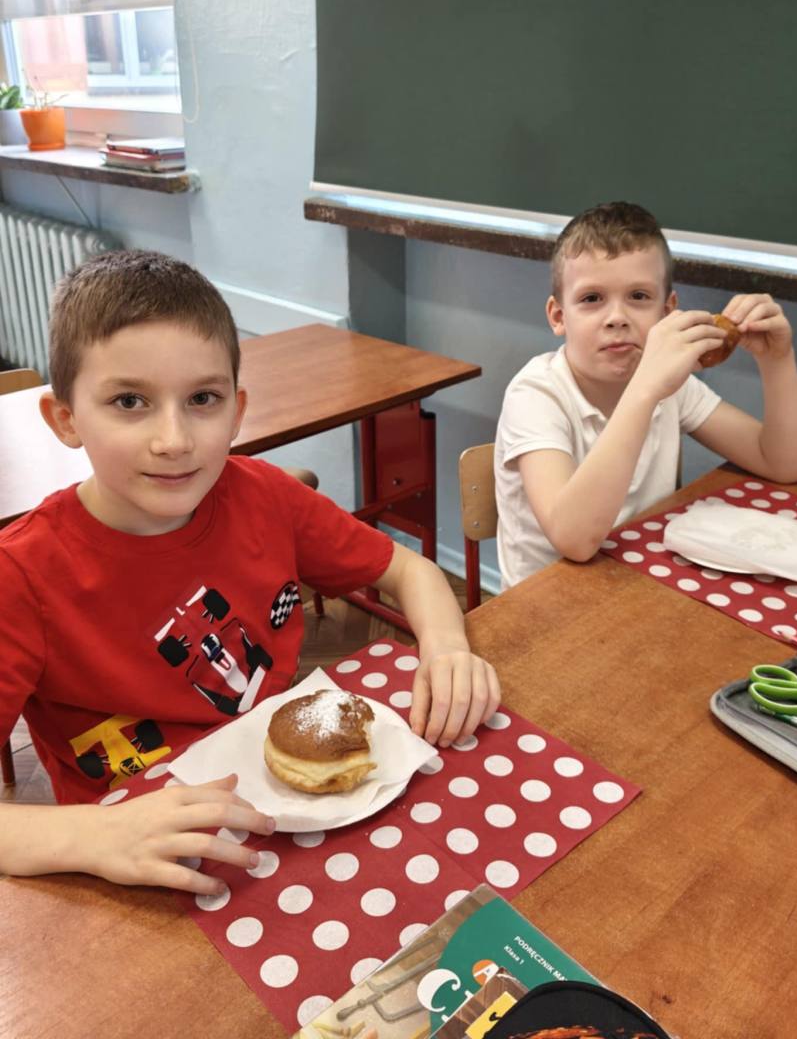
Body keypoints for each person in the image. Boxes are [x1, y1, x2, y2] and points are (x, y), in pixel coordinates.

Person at [0, 250, 500, 893]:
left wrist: (447, 645)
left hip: (295, 817)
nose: (174, 439)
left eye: (202, 399)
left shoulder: (265, 497)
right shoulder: (22, 576)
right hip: (137, 865)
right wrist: (89, 835)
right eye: (129, 401)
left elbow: (409, 569)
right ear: (66, 419)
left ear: (236, 413)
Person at [495, 201, 797, 590]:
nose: (617, 317)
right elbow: (574, 539)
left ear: (667, 311)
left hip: (642, 583)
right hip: (546, 604)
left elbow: (783, 463)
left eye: (639, 296)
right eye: (591, 298)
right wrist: (645, 390)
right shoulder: (536, 394)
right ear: (559, 316)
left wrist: (777, 361)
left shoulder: (670, 386)